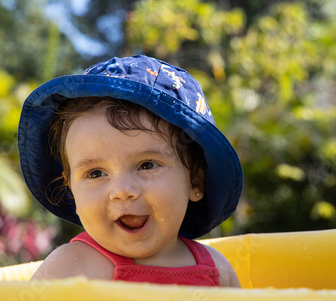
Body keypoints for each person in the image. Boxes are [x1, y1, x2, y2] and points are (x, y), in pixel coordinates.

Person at [18, 55, 243, 287]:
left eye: (147, 165)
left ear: (195, 181)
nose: (122, 191)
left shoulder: (218, 271)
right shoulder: (72, 268)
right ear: (71, 189)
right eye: (95, 173)